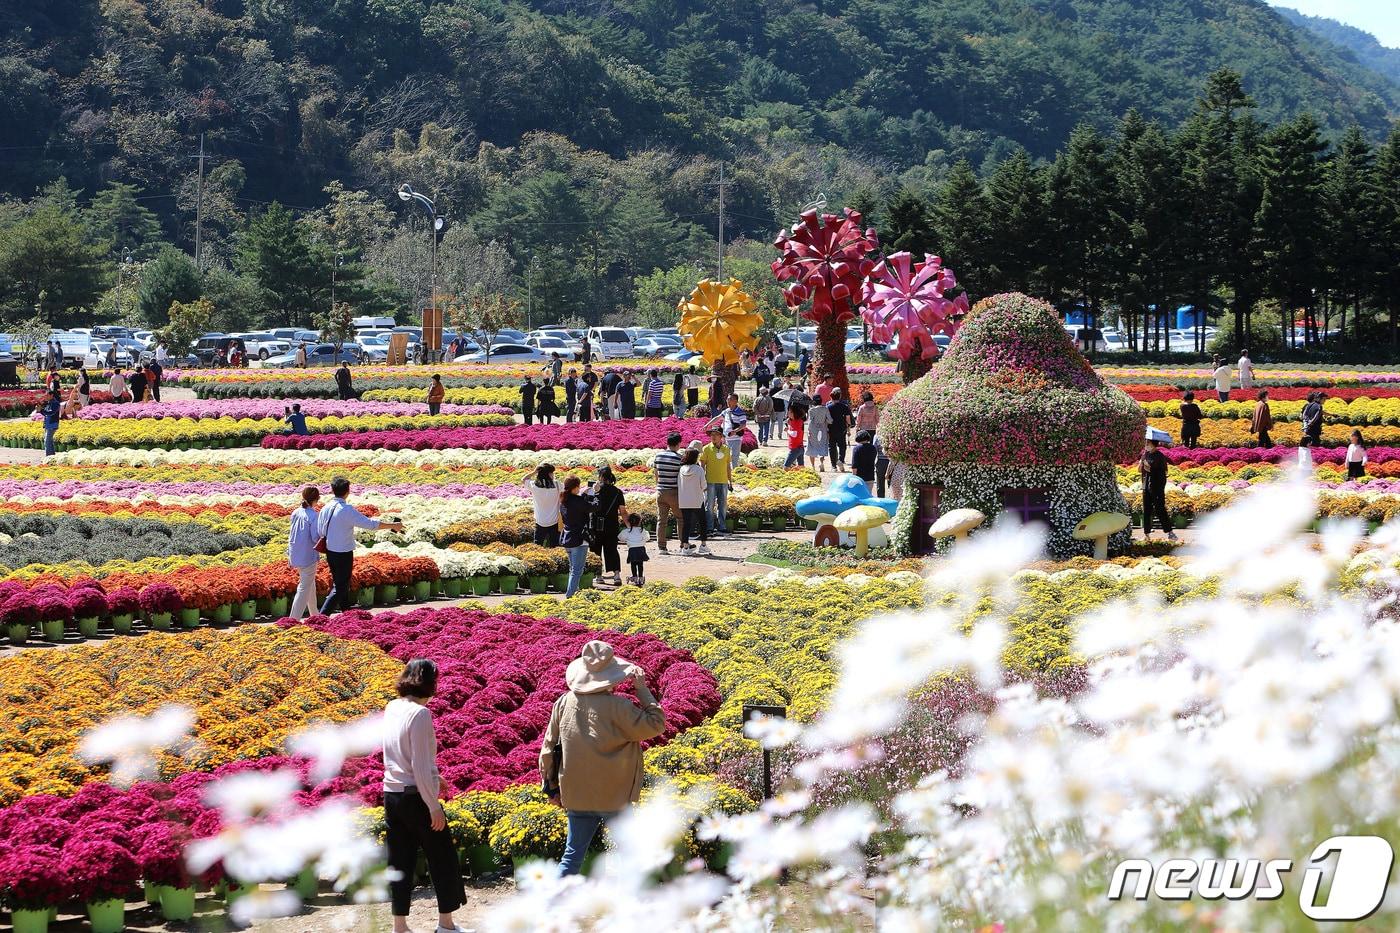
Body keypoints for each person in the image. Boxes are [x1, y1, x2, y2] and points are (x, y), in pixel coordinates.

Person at [540, 641, 667, 877]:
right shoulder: (619, 707)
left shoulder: (564, 702)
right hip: (615, 795)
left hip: (576, 793)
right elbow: (657, 724)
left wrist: (551, 789)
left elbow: (547, 750)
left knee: (572, 855)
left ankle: (552, 907)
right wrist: (642, 689)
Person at [383, 659, 469, 933]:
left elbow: (399, 754)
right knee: (442, 857)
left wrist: (435, 777)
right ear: (431, 683)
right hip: (415, 797)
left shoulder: (392, 707)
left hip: (392, 794)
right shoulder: (420, 715)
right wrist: (433, 806)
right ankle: (446, 924)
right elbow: (419, 765)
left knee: (400, 860)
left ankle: (400, 927)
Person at [318, 476, 404, 614]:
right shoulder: (346, 509)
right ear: (348, 491)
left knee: (341, 583)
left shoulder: (325, 508)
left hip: (330, 551)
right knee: (340, 586)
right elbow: (370, 525)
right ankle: (322, 617)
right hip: (343, 552)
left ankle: (346, 612)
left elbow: (320, 530)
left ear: (333, 490)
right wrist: (393, 525)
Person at [587, 466, 628, 587]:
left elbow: (587, 506)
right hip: (611, 524)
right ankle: (616, 575)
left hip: (595, 525)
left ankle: (598, 576)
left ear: (600, 477)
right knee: (612, 549)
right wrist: (629, 525)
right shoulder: (617, 492)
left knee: (595, 550)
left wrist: (594, 491)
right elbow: (623, 511)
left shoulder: (594, 490)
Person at [287, 486, 322, 618]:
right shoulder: (313, 515)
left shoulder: (296, 512)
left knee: (309, 584)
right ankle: (293, 619)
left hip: (295, 553)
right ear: (316, 500)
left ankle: (315, 615)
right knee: (304, 587)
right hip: (308, 555)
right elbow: (315, 538)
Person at [559, 476, 596, 597]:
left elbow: (578, 507)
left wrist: (582, 495)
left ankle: (575, 593)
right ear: (575, 488)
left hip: (568, 538)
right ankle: (569, 595)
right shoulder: (578, 501)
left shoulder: (564, 500)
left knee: (572, 569)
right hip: (579, 540)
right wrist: (595, 493)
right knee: (577, 571)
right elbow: (594, 507)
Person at [1139, 437, 1176, 542]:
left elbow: (1156, 470)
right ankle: (1147, 534)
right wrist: (1141, 463)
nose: (1146, 445)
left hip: (1156, 487)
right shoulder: (1145, 455)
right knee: (1146, 510)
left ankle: (1170, 532)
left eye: (1148, 443)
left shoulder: (1159, 456)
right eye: (1146, 442)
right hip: (1146, 486)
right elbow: (1139, 470)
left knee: (1160, 509)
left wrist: (1146, 465)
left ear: (1154, 444)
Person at [653, 432, 684, 553]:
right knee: (680, 518)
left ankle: (661, 546)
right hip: (674, 492)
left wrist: (659, 485)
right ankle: (683, 544)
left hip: (660, 491)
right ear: (678, 444)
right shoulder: (679, 458)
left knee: (661, 520)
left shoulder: (658, 456)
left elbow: (656, 474)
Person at [699, 426, 734, 535]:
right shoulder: (706, 449)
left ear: (721, 436)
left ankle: (722, 526)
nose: (713, 437)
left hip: (723, 481)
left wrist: (730, 481)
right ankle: (709, 527)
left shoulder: (727, 449)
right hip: (710, 481)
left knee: (723, 505)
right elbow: (702, 465)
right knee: (709, 505)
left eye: (716, 434)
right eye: (711, 435)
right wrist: (702, 480)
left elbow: (728, 466)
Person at [677, 445, 710, 556]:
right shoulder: (699, 469)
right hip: (697, 499)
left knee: (686, 524)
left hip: (684, 501)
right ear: (695, 457)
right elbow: (704, 485)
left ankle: (685, 547)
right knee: (702, 522)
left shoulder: (681, 469)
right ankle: (703, 545)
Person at [526, 463, 562, 547]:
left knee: (538, 547)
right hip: (554, 522)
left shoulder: (533, 486)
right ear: (549, 474)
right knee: (555, 546)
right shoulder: (557, 485)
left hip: (540, 522)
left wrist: (534, 472)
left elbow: (523, 479)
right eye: (552, 473)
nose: (553, 475)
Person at [826, 387, 854, 471]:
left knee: (832, 447)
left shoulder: (828, 407)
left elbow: (827, 419)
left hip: (831, 429)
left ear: (831, 397)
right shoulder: (844, 406)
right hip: (842, 428)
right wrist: (848, 428)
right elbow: (848, 419)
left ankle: (833, 465)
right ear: (840, 396)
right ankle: (841, 460)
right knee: (842, 446)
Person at [806, 397, 832, 472]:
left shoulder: (811, 410)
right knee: (822, 445)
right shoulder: (825, 409)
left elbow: (810, 422)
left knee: (811, 446)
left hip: (813, 430)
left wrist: (809, 431)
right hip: (823, 429)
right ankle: (821, 463)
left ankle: (813, 466)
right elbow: (830, 420)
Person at [622, 514, 649, 585]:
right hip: (641, 549)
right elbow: (647, 538)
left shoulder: (627, 531)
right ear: (640, 521)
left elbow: (620, 537)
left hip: (632, 549)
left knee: (633, 564)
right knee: (640, 564)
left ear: (629, 522)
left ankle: (634, 577)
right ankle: (641, 577)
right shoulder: (642, 531)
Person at [721, 393, 747, 464]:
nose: (728, 401)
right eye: (727, 399)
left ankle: (734, 474)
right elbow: (717, 418)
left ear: (736, 401)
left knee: (734, 458)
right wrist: (707, 425)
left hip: (736, 439)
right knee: (726, 458)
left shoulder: (740, 412)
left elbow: (743, 425)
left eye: (730, 399)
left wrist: (735, 431)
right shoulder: (726, 411)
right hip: (726, 439)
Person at [39, 388, 61, 457]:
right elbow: (46, 414)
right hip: (48, 424)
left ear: (51, 395)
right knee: (49, 441)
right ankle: (51, 456)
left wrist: (41, 411)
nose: (46, 397)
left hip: (52, 424)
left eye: (47, 395)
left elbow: (51, 413)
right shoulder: (49, 403)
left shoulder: (55, 403)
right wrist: (40, 410)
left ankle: (49, 456)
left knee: (47, 441)